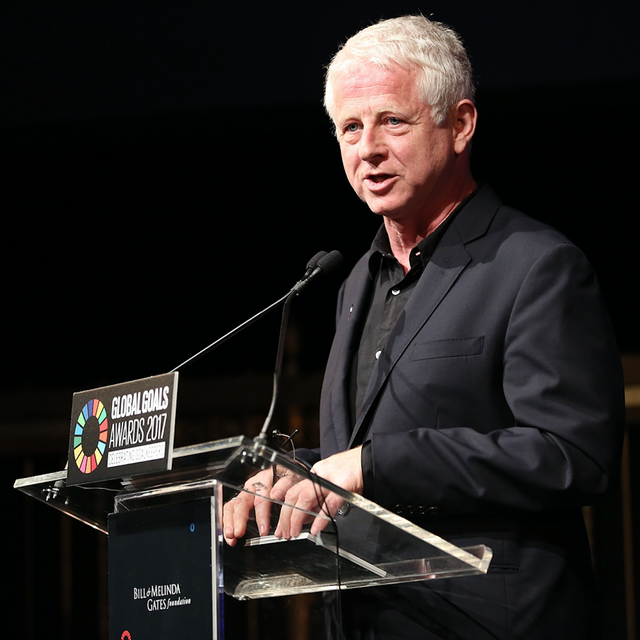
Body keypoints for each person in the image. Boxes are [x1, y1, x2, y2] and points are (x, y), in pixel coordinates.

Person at [225, 15, 625, 639]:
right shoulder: (356, 281)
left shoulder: (536, 265)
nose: (367, 148)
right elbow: (357, 454)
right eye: (350, 128)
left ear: (460, 124)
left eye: (392, 121)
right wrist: (296, 477)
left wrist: (374, 465)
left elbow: (571, 455)